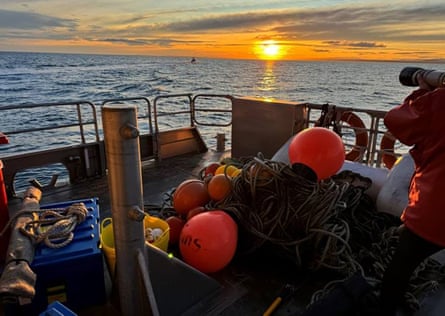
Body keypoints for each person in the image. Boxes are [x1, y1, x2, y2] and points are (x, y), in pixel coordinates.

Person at [379, 72, 445, 315]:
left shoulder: (440, 102)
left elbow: (395, 121)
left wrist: (423, 92)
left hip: (436, 209)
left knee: (401, 265)